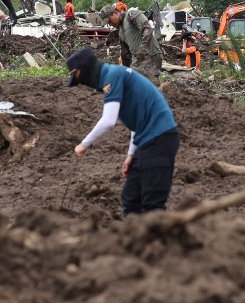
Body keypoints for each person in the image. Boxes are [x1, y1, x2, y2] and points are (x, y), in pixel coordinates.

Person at [68, 47, 179, 215]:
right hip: (146, 142)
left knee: (152, 204)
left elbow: (108, 121)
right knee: (131, 198)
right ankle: (134, 238)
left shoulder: (112, 77)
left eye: (78, 78)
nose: (82, 83)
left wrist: (84, 145)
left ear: (85, 70)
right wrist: (131, 156)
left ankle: (158, 238)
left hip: (160, 138)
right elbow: (137, 122)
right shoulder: (113, 77)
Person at [102, 3, 162, 79]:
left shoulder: (131, 14)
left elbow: (147, 28)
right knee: (132, 82)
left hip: (150, 55)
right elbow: (125, 53)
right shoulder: (121, 30)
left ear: (116, 13)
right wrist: (125, 71)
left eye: (109, 21)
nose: (110, 24)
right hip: (138, 60)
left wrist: (142, 49)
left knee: (149, 83)